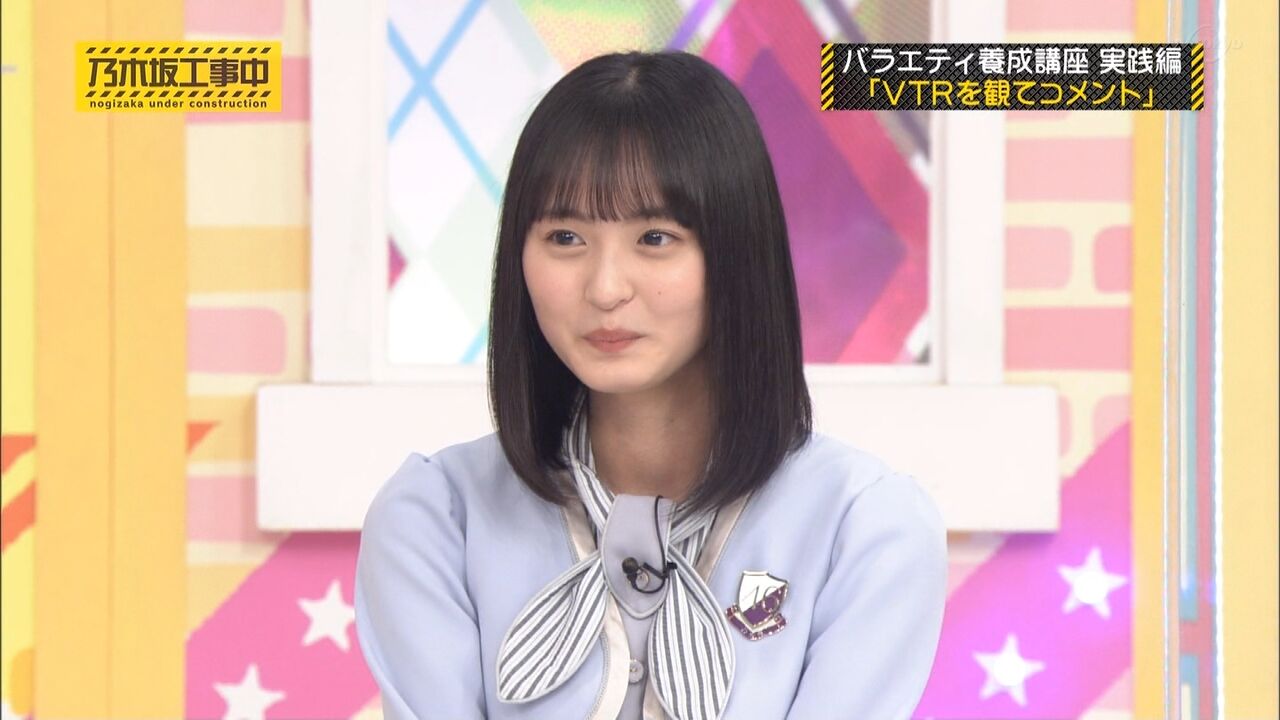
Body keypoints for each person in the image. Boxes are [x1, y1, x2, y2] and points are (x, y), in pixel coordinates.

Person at [354, 50, 947, 720]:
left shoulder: (865, 530)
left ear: (737, 252)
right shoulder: (436, 521)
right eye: (566, 237)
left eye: (656, 238)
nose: (606, 288)